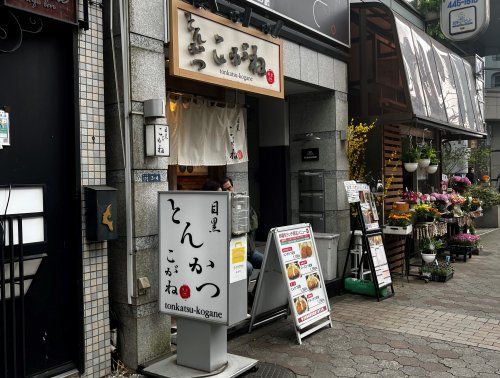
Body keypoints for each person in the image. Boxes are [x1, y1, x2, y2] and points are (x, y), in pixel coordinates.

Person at [221, 177, 263, 279]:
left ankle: (256, 293)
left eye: (229, 188)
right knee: (248, 268)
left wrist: (242, 227)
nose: (228, 191)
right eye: (224, 190)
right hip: (234, 252)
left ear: (233, 187)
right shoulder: (220, 208)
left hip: (249, 249)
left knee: (267, 262)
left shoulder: (241, 202)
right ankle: (244, 295)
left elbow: (254, 223)